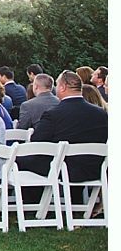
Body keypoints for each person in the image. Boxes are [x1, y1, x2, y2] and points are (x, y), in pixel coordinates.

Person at [17, 71, 108, 203]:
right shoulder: (100, 113)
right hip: (95, 168)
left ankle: (34, 202)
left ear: (63, 87)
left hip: (63, 168)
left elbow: (37, 143)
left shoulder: (54, 114)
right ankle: (75, 200)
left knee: (22, 160)